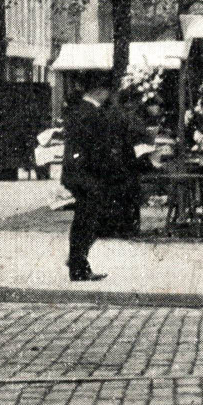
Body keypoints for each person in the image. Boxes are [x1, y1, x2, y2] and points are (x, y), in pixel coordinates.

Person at [59, 80, 139, 282]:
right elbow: (96, 149)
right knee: (88, 220)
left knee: (87, 219)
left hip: (78, 174)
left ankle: (78, 261)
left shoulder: (80, 109)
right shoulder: (91, 113)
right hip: (87, 176)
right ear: (100, 91)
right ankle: (77, 263)